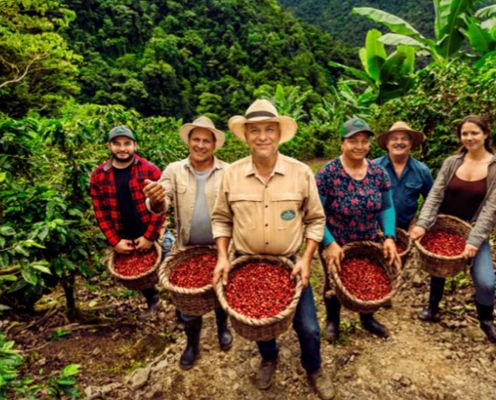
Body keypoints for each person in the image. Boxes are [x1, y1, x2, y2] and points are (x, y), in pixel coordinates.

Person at [210, 99, 332, 399]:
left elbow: (316, 219)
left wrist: (305, 259)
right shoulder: (232, 174)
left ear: (278, 134)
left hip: (289, 264)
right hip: (246, 264)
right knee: (259, 325)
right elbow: (221, 218)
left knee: (309, 329)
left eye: (268, 130)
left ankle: (313, 367)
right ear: (246, 136)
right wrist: (223, 257)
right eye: (254, 131)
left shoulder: (301, 172)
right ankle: (269, 357)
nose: (262, 136)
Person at [409, 116, 496, 343]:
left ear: (485, 134)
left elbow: (491, 208)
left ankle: (486, 323)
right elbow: (435, 195)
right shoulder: (452, 162)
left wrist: (474, 241)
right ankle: (432, 308)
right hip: (443, 226)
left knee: (486, 282)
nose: (469, 138)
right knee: (438, 267)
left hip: (473, 230)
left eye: (474, 133)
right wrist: (424, 224)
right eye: (465, 134)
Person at [144, 116, 233, 369]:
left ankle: (222, 328)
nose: (201, 145)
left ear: (214, 145)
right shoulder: (174, 170)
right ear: (189, 142)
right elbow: (161, 203)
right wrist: (156, 198)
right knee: (189, 305)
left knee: (220, 293)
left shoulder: (228, 171)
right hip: (188, 249)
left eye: (207, 140)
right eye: (196, 139)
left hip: (222, 249)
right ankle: (192, 343)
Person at [316, 117, 401, 343]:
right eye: (353, 141)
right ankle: (333, 320)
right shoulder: (328, 174)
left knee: (369, 279)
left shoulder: (378, 173)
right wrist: (329, 243)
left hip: (368, 239)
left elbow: (386, 206)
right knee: (333, 281)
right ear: (342, 143)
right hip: (336, 239)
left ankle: (367, 318)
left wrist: (389, 236)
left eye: (364, 141)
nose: (359, 146)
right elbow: (315, 214)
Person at [89, 125, 166, 320]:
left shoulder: (150, 170)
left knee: (166, 264)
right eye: (117, 144)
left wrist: (150, 236)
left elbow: (161, 207)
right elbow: (100, 211)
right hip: (123, 233)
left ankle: (181, 305)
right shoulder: (99, 175)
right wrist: (114, 241)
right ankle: (153, 299)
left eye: (127, 144)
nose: (122, 149)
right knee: (139, 275)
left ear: (135, 145)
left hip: (149, 229)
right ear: (109, 146)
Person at [372, 122, 434, 230]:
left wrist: (419, 222)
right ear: (387, 143)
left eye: (404, 138)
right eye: (394, 138)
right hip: (376, 229)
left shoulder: (422, 171)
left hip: (407, 230)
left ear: (411, 143)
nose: (399, 142)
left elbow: (432, 201)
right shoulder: (373, 168)